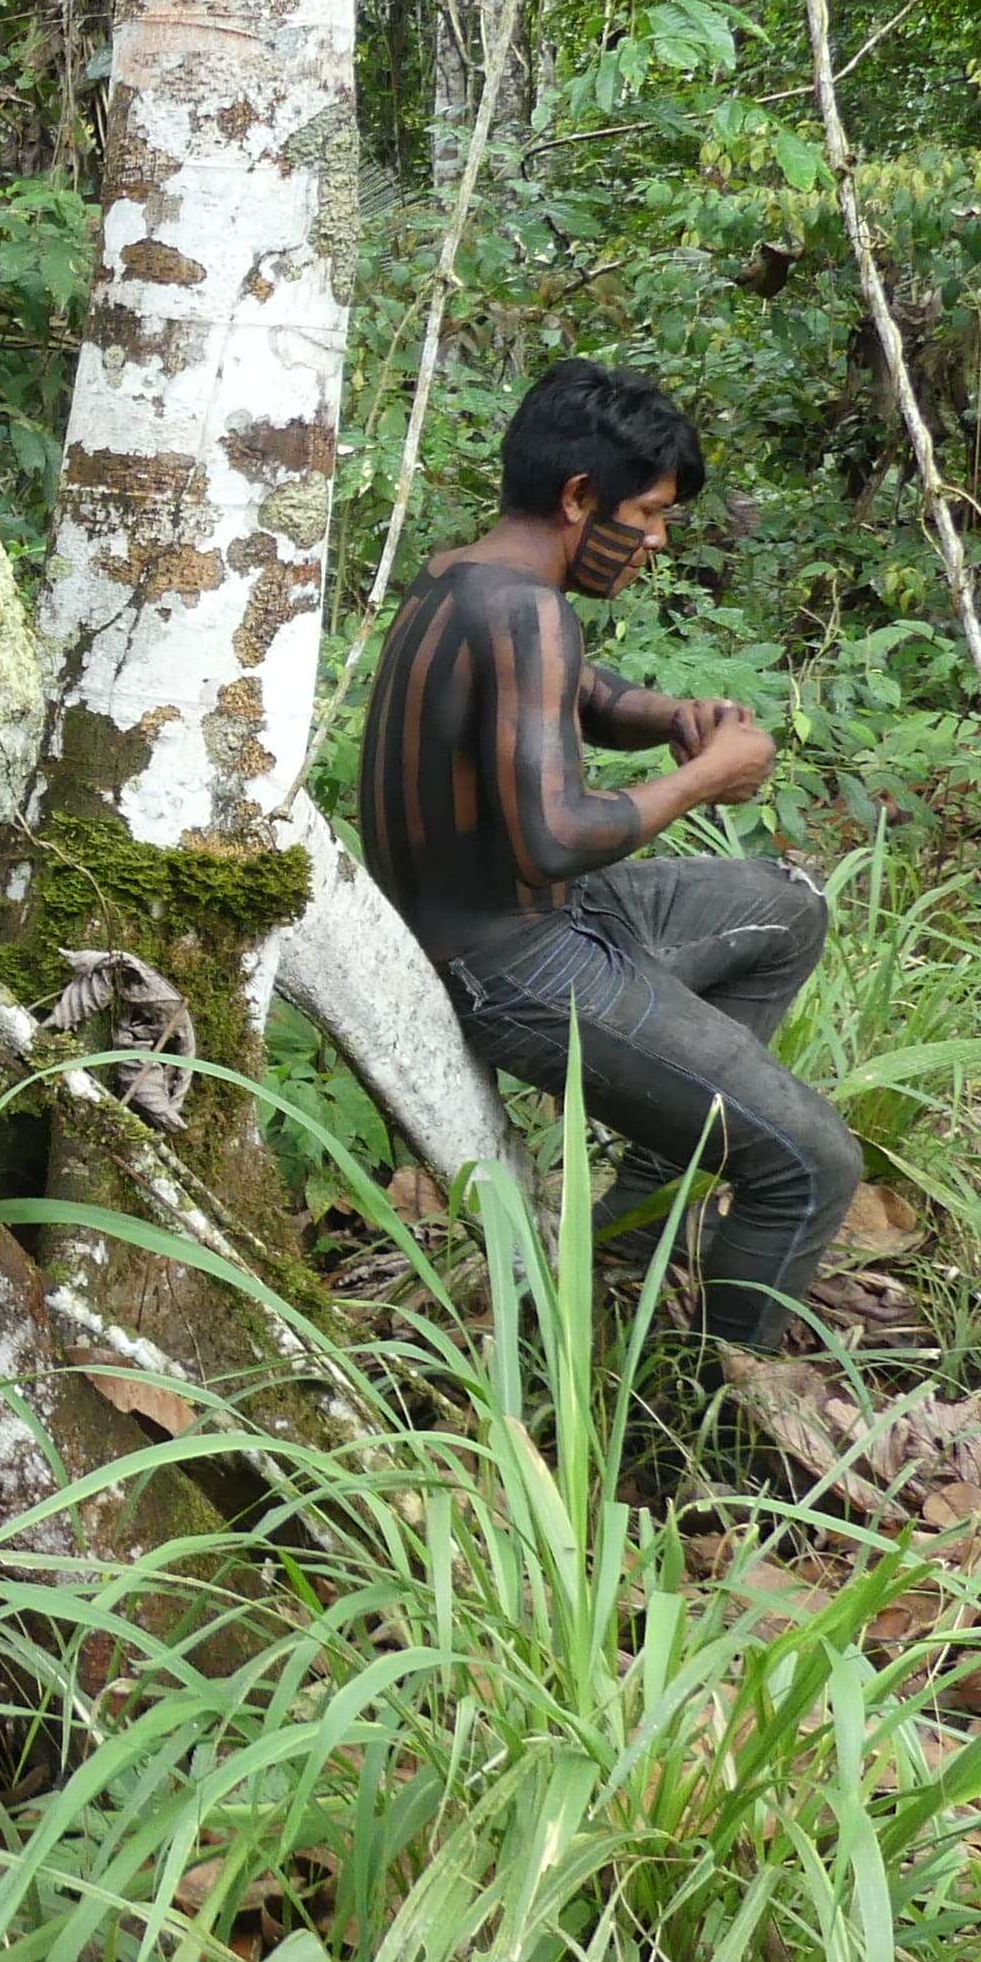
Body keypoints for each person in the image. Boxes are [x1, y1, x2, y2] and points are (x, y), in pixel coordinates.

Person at [356, 357, 859, 1352]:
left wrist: (674, 715)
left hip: (542, 922)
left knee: (788, 902)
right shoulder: (525, 611)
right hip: (514, 965)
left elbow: (581, 695)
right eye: (652, 514)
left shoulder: (467, 576)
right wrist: (706, 774)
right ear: (581, 496)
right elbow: (554, 838)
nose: (658, 541)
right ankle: (720, 1420)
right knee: (811, 1167)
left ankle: (633, 1235)